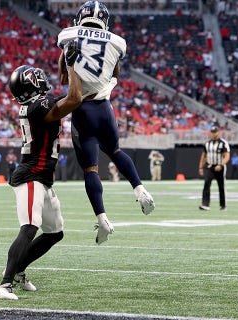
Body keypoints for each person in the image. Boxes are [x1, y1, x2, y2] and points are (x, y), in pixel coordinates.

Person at [57, 0, 154, 245]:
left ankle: (102, 219)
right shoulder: (117, 41)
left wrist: (66, 64)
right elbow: (116, 71)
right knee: (115, 151)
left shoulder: (68, 35)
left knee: (91, 169)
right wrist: (109, 84)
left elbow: (63, 70)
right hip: (104, 108)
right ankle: (139, 189)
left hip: (82, 109)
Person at [0, 42, 82, 300]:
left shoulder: (36, 104)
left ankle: (20, 270)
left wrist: (65, 59)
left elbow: (64, 86)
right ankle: (4, 284)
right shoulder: (38, 106)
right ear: (32, 84)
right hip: (31, 176)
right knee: (30, 227)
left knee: (55, 232)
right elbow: (74, 98)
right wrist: (72, 65)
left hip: (41, 176)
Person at [198, 125, 230, 211]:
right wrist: (200, 167)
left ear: (218, 132)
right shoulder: (207, 143)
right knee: (206, 184)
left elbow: (227, 156)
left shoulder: (223, 143)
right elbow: (204, 155)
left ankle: (223, 205)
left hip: (220, 166)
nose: (213, 134)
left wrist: (221, 165)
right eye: (212, 132)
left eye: (215, 132)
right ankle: (205, 204)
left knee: (221, 186)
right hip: (210, 166)